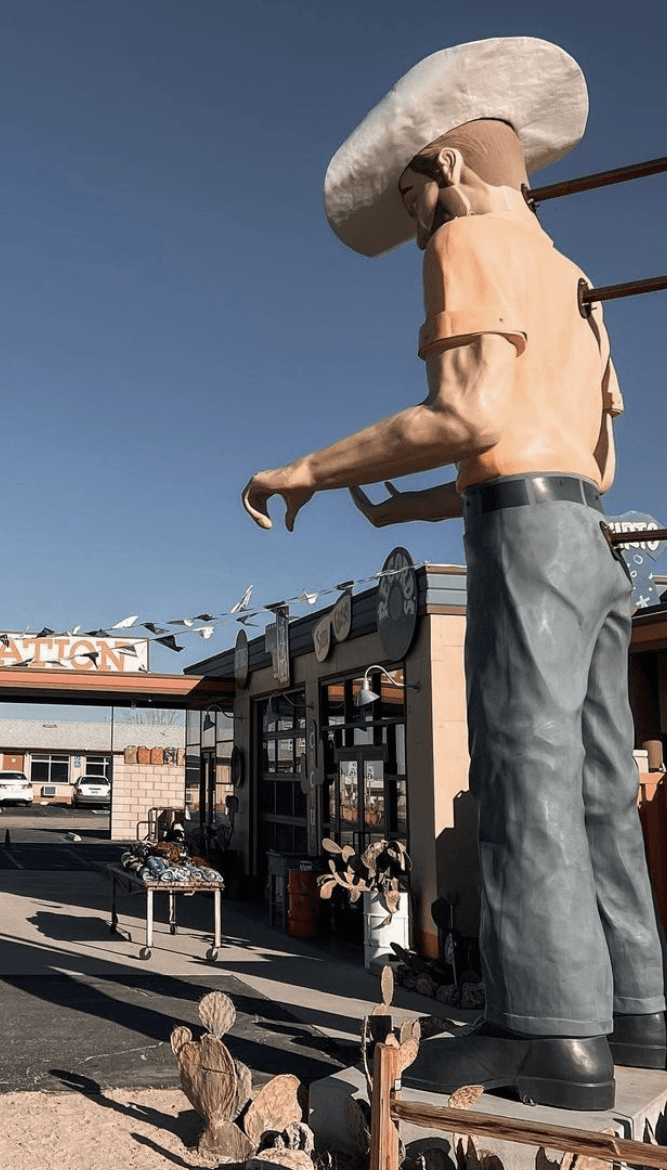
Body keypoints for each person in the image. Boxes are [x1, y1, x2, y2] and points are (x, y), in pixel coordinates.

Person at [242, 38, 665, 1111]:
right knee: (600, 783)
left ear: (448, 167)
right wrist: (418, 503)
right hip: (591, 538)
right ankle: (639, 1012)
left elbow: (469, 414)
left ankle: (543, 1032)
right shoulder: (576, 280)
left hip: (525, 544)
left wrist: (310, 467)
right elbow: (573, 451)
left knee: (523, 772)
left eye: (413, 195)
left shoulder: (469, 239)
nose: (418, 218)